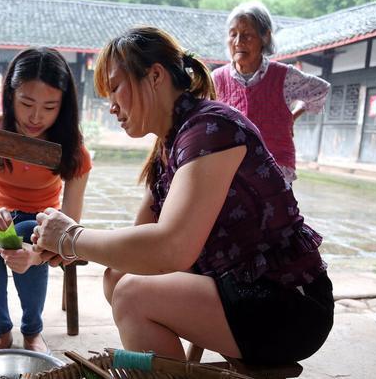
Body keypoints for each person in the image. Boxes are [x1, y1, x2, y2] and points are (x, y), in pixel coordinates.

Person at [31, 27, 333, 365]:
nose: (111, 106)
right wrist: (64, 245)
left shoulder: (211, 128)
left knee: (132, 296)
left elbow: (171, 249)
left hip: (289, 303)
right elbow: (139, 246)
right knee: (118, 277)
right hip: (236, 286)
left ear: (155, 75)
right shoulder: (169, 146)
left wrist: (72, 238)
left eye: (115, 87)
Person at [0, 47, 91, 353]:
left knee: (29, 230)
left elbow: (69, 228)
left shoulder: (72, 147)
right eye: (26, 103)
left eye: (50, 107)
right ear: (9, 95)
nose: (36, 117)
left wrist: (37, 255)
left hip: (42, 221)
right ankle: (0, 331)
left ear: (63, 107)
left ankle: (32, 330)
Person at [212, 1, 330, 183]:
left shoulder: (283, 76)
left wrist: (294, 115)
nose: (238, 42)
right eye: (233, 34)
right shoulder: (217, 79)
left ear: (265, 37)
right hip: (230, 170)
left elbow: (321, 89)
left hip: (275, 168)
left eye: (247, 35)